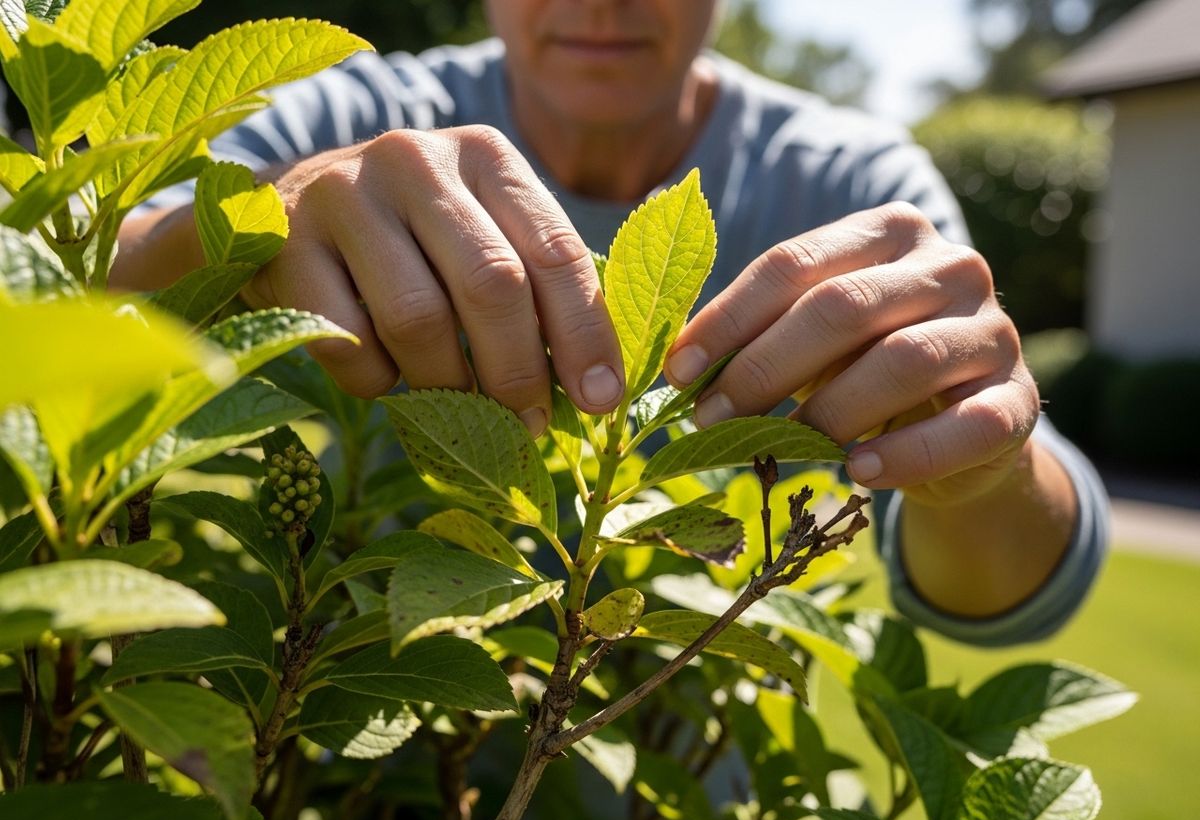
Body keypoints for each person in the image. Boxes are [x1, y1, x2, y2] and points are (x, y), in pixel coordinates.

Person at [112, 0, 1107, 646]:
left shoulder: (849, 184)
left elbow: (1015, 585)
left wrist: (984, 470)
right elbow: (83, 281)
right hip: (325, 769)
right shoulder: (364, 120)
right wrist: (247, 231)